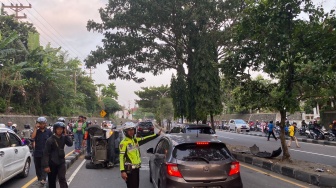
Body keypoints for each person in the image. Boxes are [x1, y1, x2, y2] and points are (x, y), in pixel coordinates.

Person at [119, 122, 162, 188]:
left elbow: (146, 138)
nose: (131, 132)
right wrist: (122, 171)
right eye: (129, 130)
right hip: (130, 170)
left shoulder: (135, 140)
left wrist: (156, 135)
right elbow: (121, 157)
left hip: (136, 169)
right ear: (125, 132)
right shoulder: (124, 143)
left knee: (136, 186)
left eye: (132, 130)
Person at [42, 122, 73, 188]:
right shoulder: (50, 140)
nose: (59, 130)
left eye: (61, 129)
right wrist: (46, 166)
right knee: (52, 181)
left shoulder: (64, 138)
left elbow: (70, 144)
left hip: (61, 162)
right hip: (52, 162)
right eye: (58, 129)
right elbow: (46, 153)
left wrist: (66, 134)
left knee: (62, 178)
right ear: (55, 129)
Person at [31, 117, 52, 185]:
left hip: (46, 152)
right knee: (37, 166)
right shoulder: (36, 131)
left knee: (44, 165)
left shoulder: (48, 131)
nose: (41, 125)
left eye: (43, 123)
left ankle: (43, 179)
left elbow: (52, 141)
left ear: (45, 124)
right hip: (37, 151)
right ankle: (39, 178)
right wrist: (35, 128)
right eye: (40, 123)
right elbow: (32, 137)